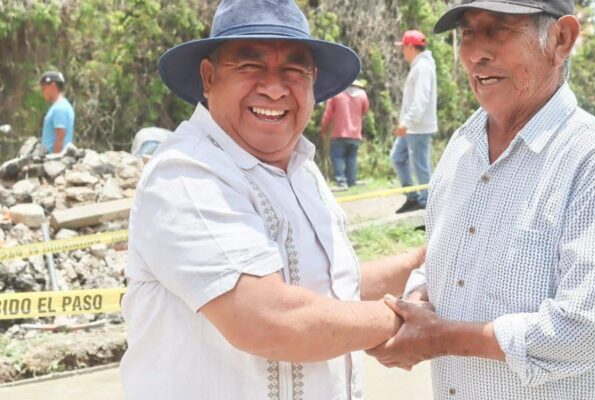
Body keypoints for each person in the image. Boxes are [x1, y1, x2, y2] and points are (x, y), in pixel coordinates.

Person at [120, 1, 425, 399]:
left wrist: (423, 265)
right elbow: (268, 320)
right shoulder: (187, 173)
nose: (275, 88)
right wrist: (410, 324)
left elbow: (330, 285)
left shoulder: (302, 171)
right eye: (250, 66)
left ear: (313, 82)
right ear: (209, 77)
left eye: (294, 71)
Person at [367, 1, 595, 399]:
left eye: (498, 29)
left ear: (561, 40)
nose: (475, 53)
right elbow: (441, 263)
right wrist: (418, 302)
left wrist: (441, 338)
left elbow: (589, 330)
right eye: (468, 32)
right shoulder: (461, 148)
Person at [391, 29, 438, 214]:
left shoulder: (423, 68)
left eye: (404, 47)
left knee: (420, 166)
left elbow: (421, 100)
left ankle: (428, 203)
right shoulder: (419, 66)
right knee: (397, 158)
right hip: (412, 127)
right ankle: (413, 198)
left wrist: (407, 123)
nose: (403, 51)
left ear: (411, 47)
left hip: (418, 128)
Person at [321, 79, 370, 190]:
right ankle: (351, 181)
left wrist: (324, 130)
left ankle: (341, 182)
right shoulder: (362, 95)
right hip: (355, 134)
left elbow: (327, 115)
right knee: (352, 157)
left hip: (339, 133)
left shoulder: (336, 94)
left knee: (337, 157)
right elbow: (365, 111)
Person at [39, 71, 75, 154]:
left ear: (53, 86)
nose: (42, 93)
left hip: (54, 158)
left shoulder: (60, 108)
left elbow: (60, 137)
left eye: (44, 89)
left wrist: (54, 159)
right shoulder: (63, 105)